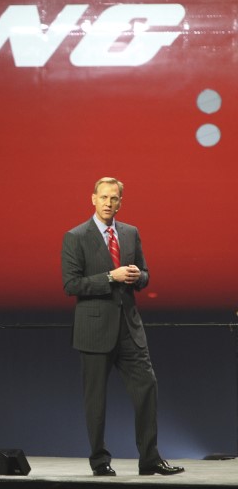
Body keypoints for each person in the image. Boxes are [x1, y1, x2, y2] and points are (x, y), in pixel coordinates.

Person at [61, 177, 184, 477]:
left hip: (129, 329)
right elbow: (71, 284)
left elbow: (146, 275)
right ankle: (100, 461)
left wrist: (135, 275)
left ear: (120, 202)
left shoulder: (130, 233)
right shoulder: (75, 236)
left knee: (147, 388)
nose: (108, 203)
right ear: (92, 199)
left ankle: (150, 459)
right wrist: (110, 277)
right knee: (96, 402)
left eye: (113, 198)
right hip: (94, 330)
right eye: (103, 197)